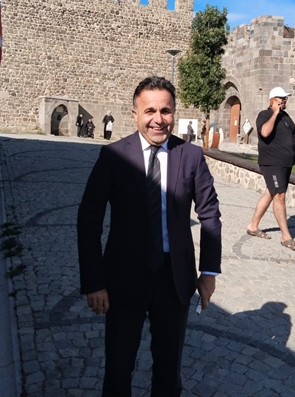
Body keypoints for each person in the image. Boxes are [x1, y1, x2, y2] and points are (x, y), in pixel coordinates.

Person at [77, 76, 222, 396]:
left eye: (166, 111)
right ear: (135, 114)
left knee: (168, 372)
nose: (158, 119)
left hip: (174, 279)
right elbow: (89, 219)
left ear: (174, 112)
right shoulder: (113, 156)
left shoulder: (191, 156)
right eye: (150, 111)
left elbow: (210, 214)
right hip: (123, 279)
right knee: (118, 370)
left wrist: (209, 272)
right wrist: (94, 281)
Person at [246, 86, 295, 250]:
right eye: (281, 98)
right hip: (272, 163)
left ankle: (253, 225)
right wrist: (275, 113)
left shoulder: (285, 117)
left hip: (285, 163)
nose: (284, 100)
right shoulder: (264, 115)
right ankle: (286, 237)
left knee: (271, 192)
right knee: (280, 195)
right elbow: (264, 132)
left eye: (285, 98)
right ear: (272, 100)